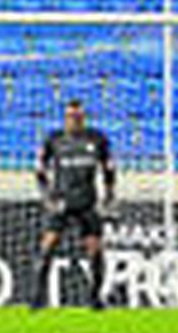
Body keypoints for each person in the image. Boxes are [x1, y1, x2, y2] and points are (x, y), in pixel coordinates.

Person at [31, 98, 115, 310]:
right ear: (65, 118)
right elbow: (40, 170)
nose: (74, 120)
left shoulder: (97, 139)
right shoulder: (54, 139)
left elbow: (109, 168)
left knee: (95, 251)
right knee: (47, 247)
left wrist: (109, 195)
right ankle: (38, 297)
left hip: (87, 202)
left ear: (83, 117)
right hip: (62, 202)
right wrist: (47, 197)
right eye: (70, 116)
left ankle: (95, 298)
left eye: (78, 116)